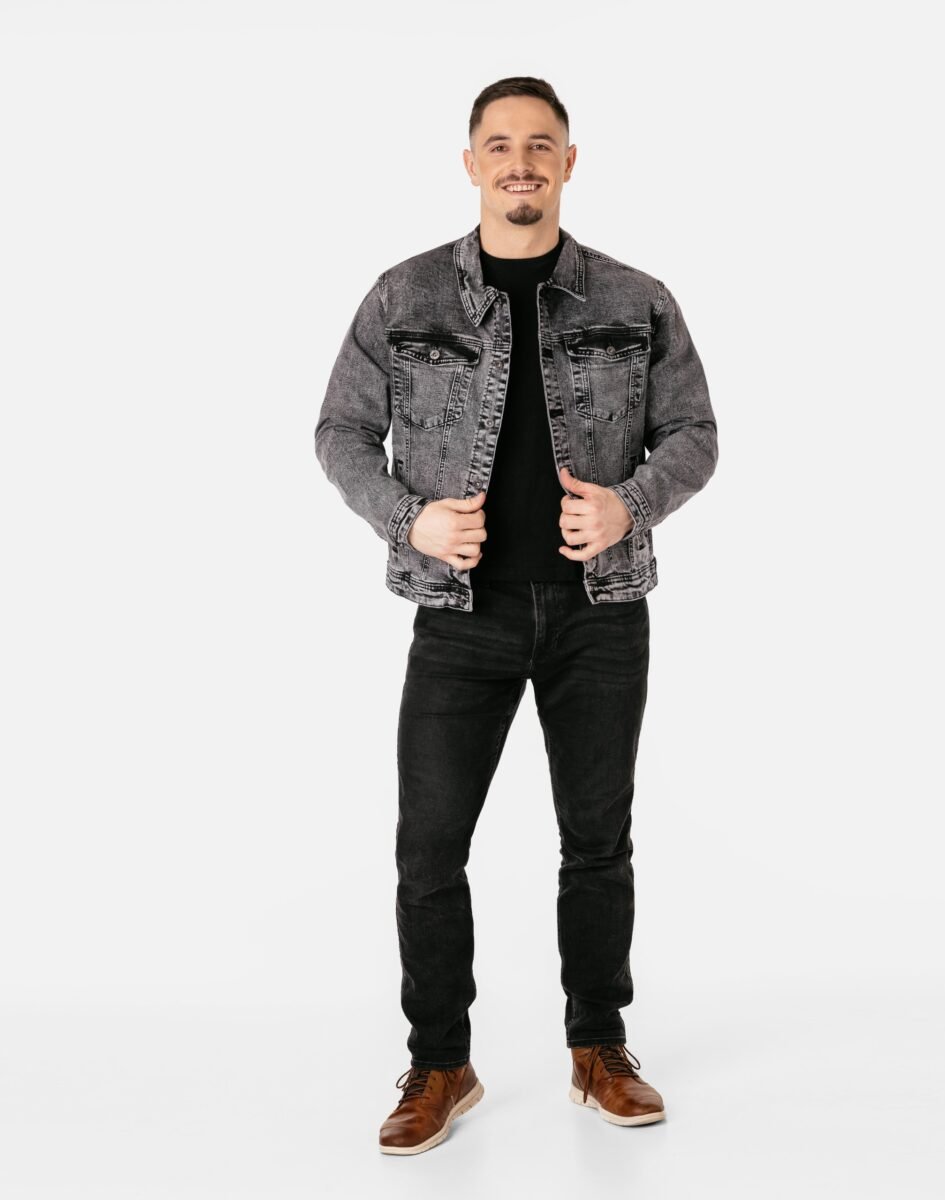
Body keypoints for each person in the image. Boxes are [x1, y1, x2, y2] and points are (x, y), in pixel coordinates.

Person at [314, 76, 719, 1155]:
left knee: (597, 843)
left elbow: (694, 434)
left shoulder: (636, 297)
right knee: (428, 847)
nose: (521, 163)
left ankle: (598, 1048)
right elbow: (339, 433)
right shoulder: (405, 296)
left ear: (569, 163)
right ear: (471, 164)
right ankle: (441, 1063)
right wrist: (409, 520)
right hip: (462, 616)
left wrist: (630, 503)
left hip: (600, 613)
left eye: (540, 144)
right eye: (500, 145)